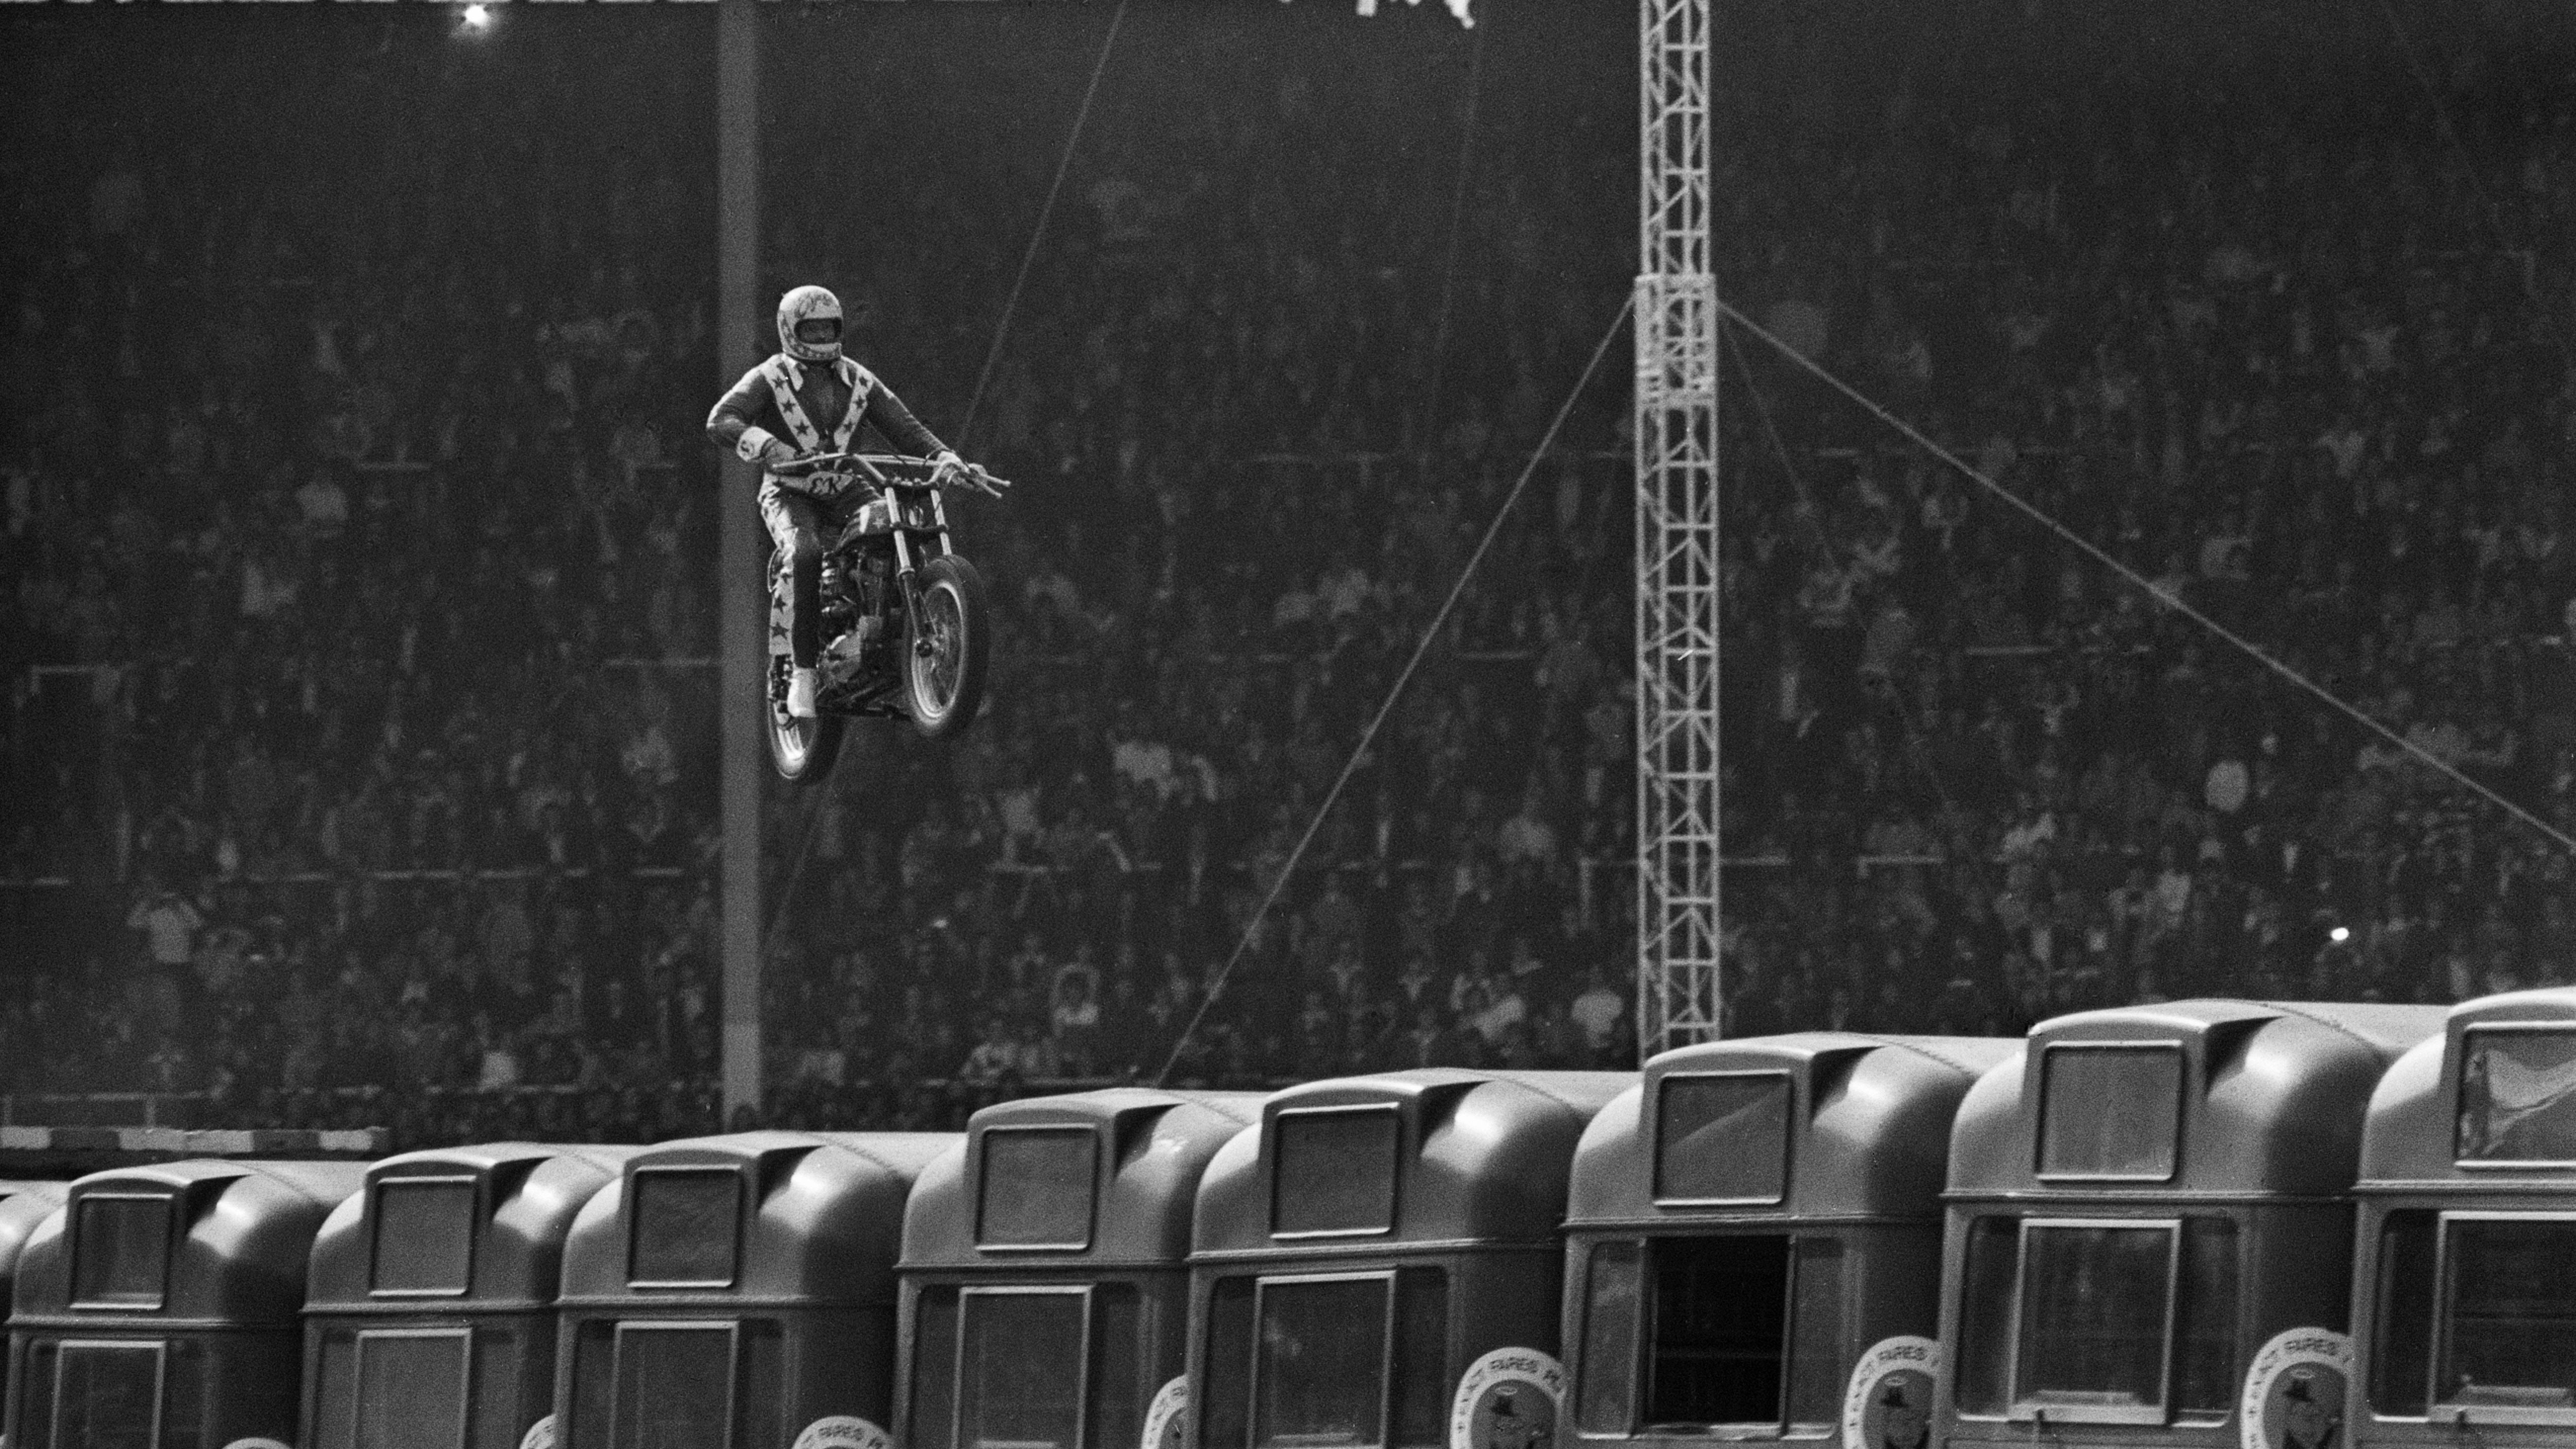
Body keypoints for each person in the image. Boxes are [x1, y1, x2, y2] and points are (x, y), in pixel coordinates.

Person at [706, 284, 967, 718]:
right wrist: (772, 447)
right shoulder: (770, 376)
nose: (823, 335)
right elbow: (721, 420)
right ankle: (804, 673)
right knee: (804, 552)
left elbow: (904, 427)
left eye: (830, 327)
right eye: (813, 328)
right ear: (791, 330)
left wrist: (945, 457)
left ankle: (884, 631)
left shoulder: (860, 380)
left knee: (894, 522)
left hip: (848, 487)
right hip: (789, 490)